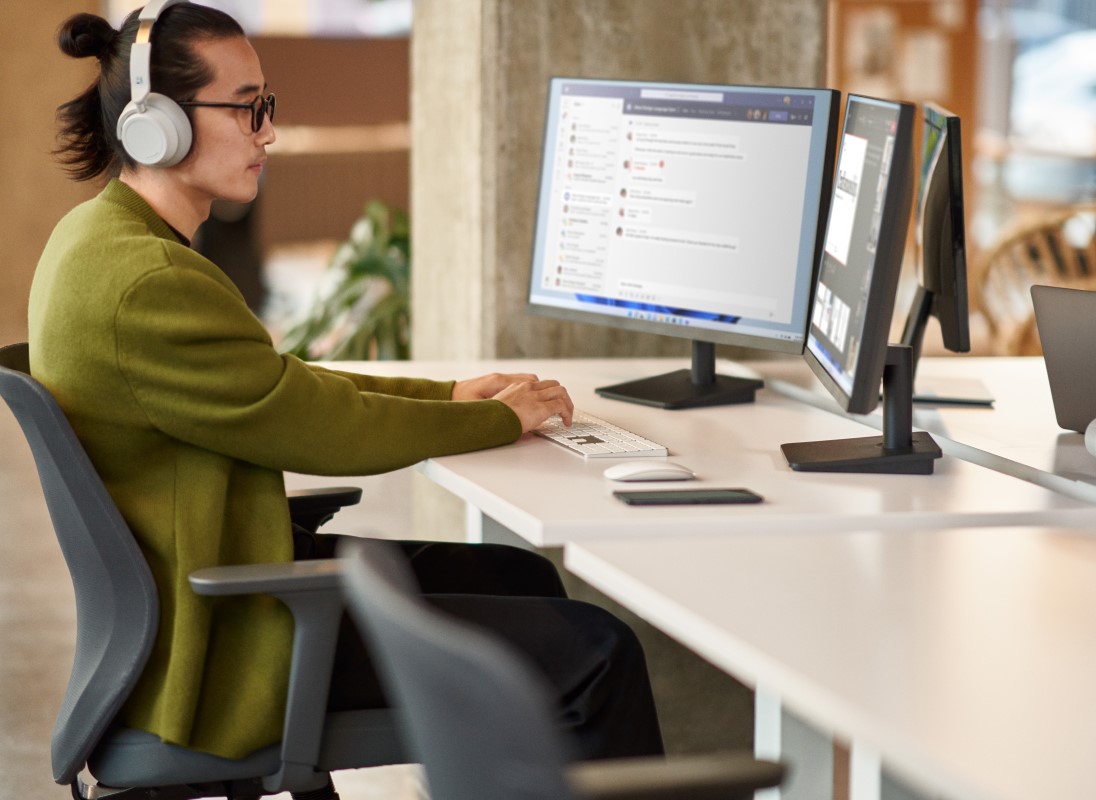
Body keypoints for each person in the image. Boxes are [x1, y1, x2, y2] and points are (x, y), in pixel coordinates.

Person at [30, 0, 663, 775]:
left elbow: (279, 388)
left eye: (268, 106)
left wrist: (455, 398)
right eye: (247, 109)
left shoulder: (102, 238)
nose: (268, 132)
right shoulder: (147, 280)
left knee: (519, 576)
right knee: (598, 653)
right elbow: (317, 427)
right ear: (155, 124)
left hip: (202, 591)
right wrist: (494, 423)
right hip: (218, 651)